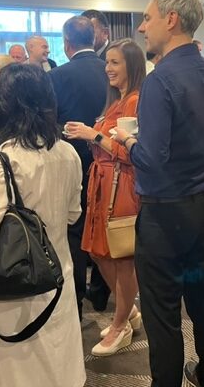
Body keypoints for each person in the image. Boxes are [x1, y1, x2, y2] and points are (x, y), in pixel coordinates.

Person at [114, 0, 204, 387]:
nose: (142, 27)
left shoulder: (159, 80)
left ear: (172, 19)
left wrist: (127, 140)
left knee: (162, 312)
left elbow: (151, 160)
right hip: (200, 209)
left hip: (163, 219)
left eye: (147, 18)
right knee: (200, 294)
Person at [0, 63, 85, 387]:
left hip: (17, 286)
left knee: (23, 373)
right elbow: (72, 215)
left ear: (2, 105)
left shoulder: (4, 161)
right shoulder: (68, 152)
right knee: (60, 367)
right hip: (59, 275)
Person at [64, 39, 145, 356]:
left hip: (121, 185)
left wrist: (93, 134)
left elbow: (131, 154)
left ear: (131, 65)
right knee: (98, 252)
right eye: (107, 62)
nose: (108, 68)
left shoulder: (135, 101)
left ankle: (120, 324)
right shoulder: (117, 99)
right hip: (103, 183)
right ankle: (130, 312)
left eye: (115, 62)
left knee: (121, 256)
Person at [48, 16, 110, 317]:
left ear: (66, 43)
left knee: (74, 228)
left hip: (69, 162)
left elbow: (48, 122)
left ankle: (75, 298)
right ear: (94, 39)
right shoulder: (111, 70)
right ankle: (101, 292)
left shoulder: (56, 76)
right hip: (107, 160)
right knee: (103, 225)